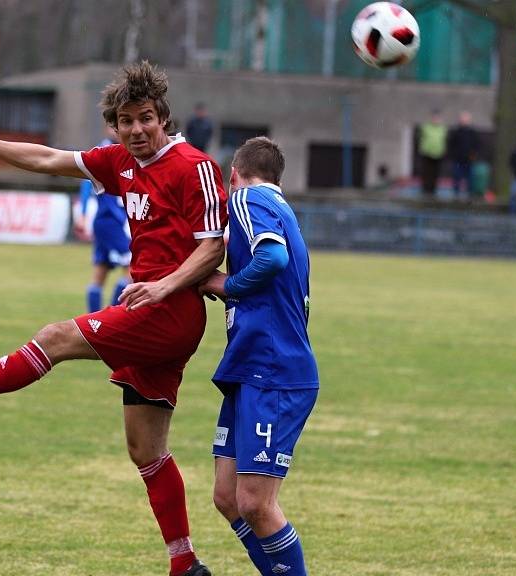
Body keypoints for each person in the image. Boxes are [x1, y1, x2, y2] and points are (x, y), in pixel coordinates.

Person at [0, 61, 226, 576]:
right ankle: (186, 564)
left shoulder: (193, 165)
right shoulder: (117, 162)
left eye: (146, 118)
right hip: (146, 307)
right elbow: (45, 158)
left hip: (168, 313)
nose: (136, 130)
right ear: (115, 124)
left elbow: (213, 247)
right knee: (145, 449)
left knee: (55, 338)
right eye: (126, 121)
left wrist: (164, 285)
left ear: (163, 117)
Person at [198, 137, 319, 576]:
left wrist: (225, 285)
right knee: (228, 497)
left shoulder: (248, 197)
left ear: (234, 175)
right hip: (253, 369)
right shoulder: (282, 208)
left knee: (255, 502)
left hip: (273, 370)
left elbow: (271, 256)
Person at [73, 126, 132, 312]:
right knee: (132, 270)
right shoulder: (102, 152)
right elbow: (85, 183)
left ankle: (94, 321)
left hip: (109, 222)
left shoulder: (127, 152)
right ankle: (110, 318)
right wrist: (82, 214)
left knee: (100, 273)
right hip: (110, 221)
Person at [447, 111, 479, 199]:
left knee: (470, 179)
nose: (464, 121)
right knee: (456, 178)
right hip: (458, 160)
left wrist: (474, 155)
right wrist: (453, 155)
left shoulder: (473, 133)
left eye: (466, 119)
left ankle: (470, 195)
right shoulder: (456, 132)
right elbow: (451, 145)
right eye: (463, 119)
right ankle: (456, 195)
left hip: (469, 160)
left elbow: (477, 145)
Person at [418, 109, 447, 197]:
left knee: (435, 173)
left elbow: (444, 140)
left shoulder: (443, 128)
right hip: (427, 153)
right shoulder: (426, 127)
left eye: (437, 118)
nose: (436, 120)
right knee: (426, 172)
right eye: (434, 118)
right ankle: (425, 189)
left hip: (438, 153)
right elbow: (420, 138)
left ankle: (433, 189)